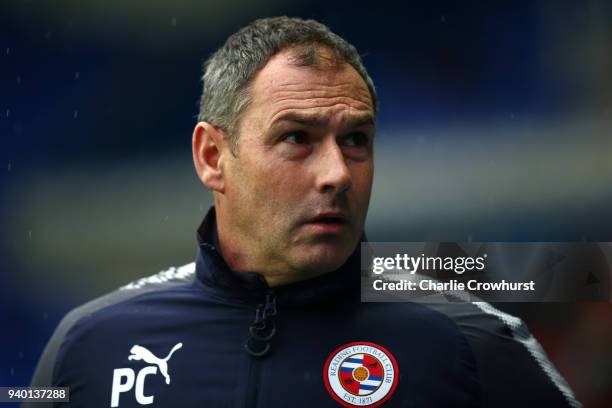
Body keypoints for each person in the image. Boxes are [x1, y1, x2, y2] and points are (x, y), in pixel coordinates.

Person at [27, 17, 581, 407]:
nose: (338, 173)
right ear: (213, 157)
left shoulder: (469, 339)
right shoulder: (90, 342)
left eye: (357, 139)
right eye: (297, 137)